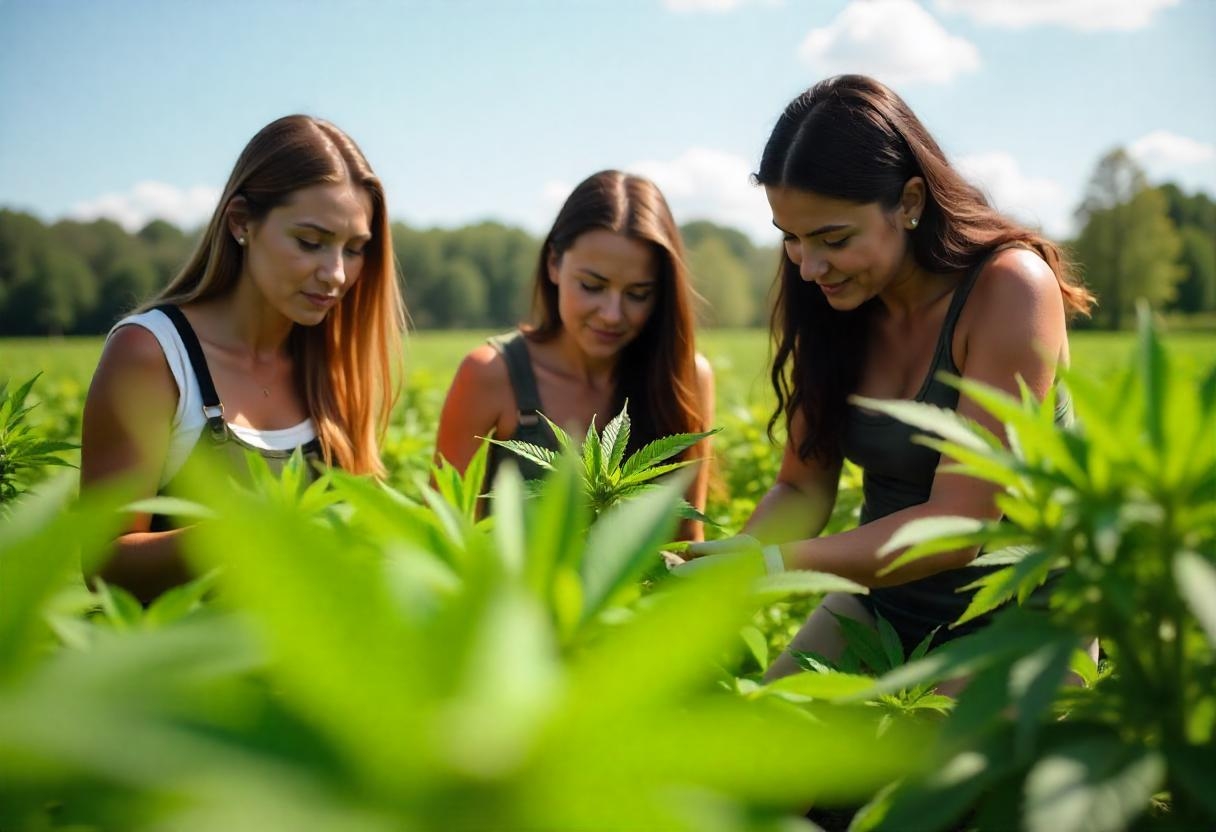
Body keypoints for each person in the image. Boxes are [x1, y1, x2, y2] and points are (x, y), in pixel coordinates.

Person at [685, 75, 1095, 681]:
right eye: (791, 238)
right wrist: (724, 568)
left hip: (1023, 623)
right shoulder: (832, 297)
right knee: (761, 756)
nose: (809, 266)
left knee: (927, 775)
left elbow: (959, 527)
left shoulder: (1010, 288)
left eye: (833, 238)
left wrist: (768, 568)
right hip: (884, 602)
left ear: (909, 202)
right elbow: (802, 489)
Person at [80, 115, 405, 602]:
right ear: (240, 223)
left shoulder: (333, 359)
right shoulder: (153, 354)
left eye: (355, 250)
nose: (336, 274)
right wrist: (238, 535)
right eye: (310, 243)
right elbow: (102, 564)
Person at [435, 170, 715, 541]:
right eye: (592, 286)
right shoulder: (491, 374)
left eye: (638, 293)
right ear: (554, 263)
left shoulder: (685, 376)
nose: (612, 314)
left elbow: (685, 540)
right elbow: (444, 537)